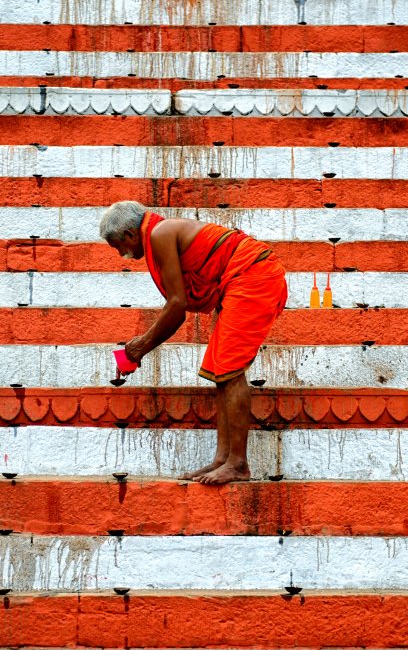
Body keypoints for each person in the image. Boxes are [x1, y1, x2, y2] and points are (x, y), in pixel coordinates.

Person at [99, 200, 288, 484]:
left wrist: (139, 347)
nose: (122, 253)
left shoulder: (159, 234)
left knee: (229, 367)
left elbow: (177, 307)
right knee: (221, 370)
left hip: (251, 275)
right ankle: (223, 460)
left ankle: (237, 463)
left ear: (128, 235)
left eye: (118, 246)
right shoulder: (159, 233)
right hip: (237, 280)